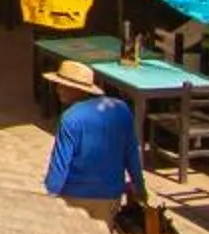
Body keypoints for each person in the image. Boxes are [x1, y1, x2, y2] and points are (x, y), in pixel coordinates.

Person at [45, 60, 144, 224]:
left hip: (75, 195)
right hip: (110, 196)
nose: (57, 90)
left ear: (77, 89)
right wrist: (140, 187)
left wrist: (49, 196)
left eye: (62, 85)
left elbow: (60, 165)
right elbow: (131, 153)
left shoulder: (70, 118)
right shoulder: (121, 109)